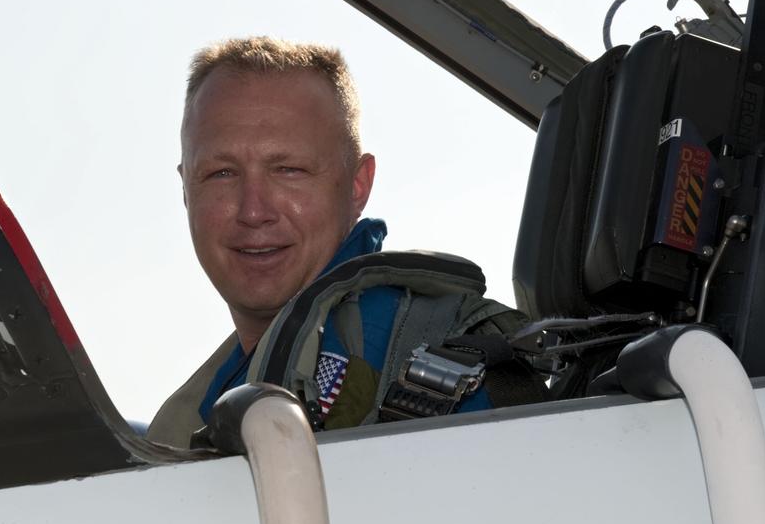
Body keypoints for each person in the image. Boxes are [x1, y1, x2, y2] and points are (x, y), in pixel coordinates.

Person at [147, 37, 536, 448]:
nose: (253, 210)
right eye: (221, 173)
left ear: (357, 185)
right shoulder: (184, 425)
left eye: (289, 170)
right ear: (186, 189)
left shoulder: (446, 375)